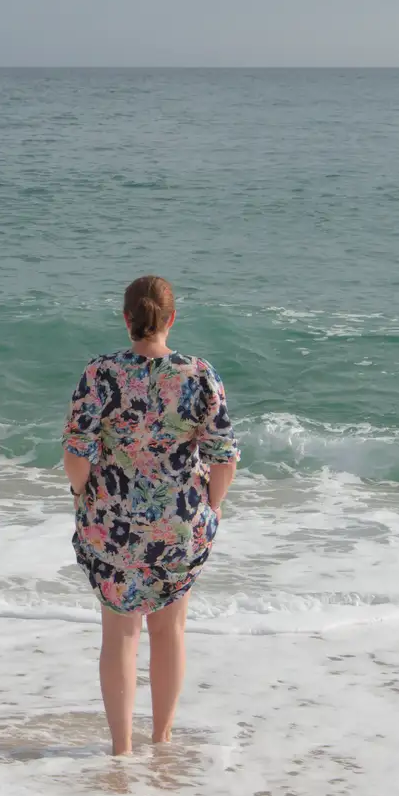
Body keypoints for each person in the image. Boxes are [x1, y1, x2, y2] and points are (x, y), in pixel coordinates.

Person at [62, 275, 239, 756]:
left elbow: (77, 455)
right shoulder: (200, 375)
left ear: (126, 320)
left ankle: (121, 749)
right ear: (172, 319)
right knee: (169, 630)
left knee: (119, 634)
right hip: (179, 523)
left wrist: (85, 499)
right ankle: (161, 739)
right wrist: (213, 507)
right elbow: (224, 457)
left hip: (111, 523)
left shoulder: (99, 375)